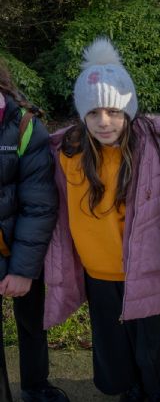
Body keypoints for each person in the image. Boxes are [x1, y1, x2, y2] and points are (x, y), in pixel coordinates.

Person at [43, 38, 160, 402]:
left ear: (128, 111)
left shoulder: (149, 150)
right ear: (82, 116)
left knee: (150, 341)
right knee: (112, 342)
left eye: (113, 111)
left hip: (141, 268)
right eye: (93, 113)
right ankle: (128, 389)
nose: (104, 122)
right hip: (97, 271)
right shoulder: (68, 155)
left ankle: (157, 392)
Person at [0, 59, 68, 402]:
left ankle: (36, 385)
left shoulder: (25, 125)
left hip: (20, 248)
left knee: (31, 323)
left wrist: (23, 270)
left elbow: (39, 205)